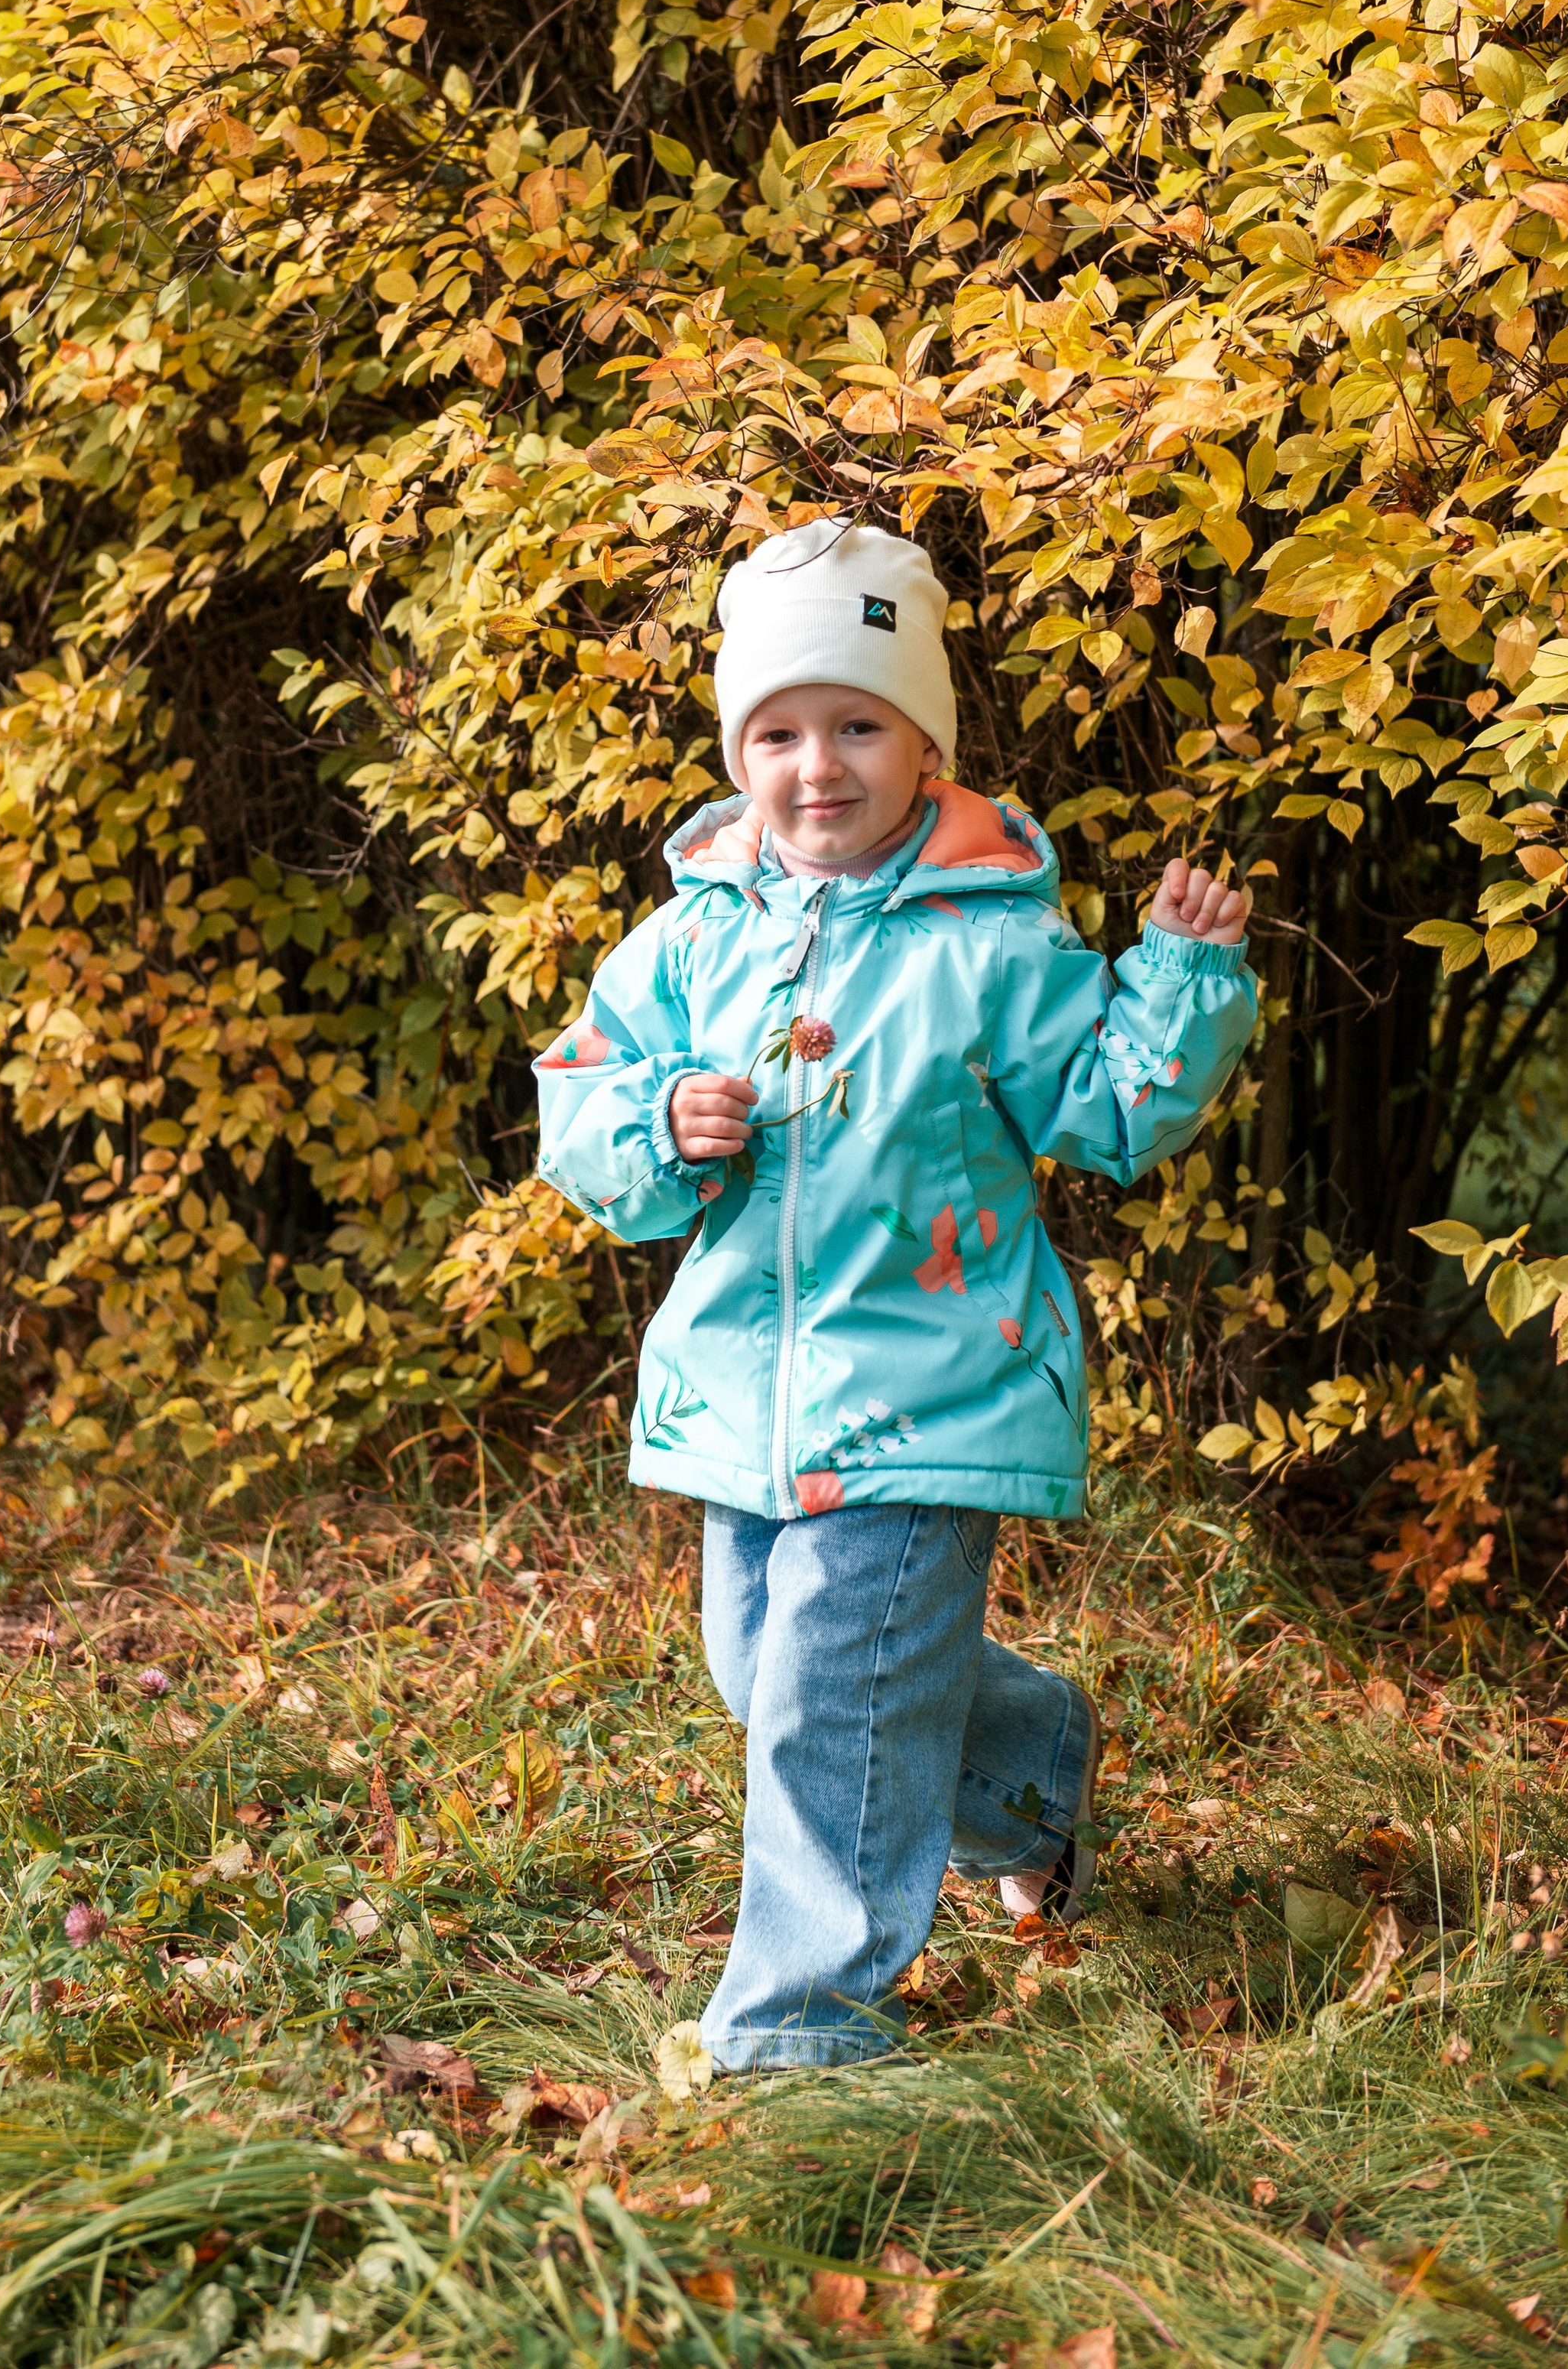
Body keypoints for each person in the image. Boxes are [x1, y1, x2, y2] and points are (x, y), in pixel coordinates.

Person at [534, 519, 1256, 2072]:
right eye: (778, 731)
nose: (817, 766)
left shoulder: (990, 938)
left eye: (857, 723)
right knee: (764, 1672)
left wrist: (1181, 985)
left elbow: (1108, 1110)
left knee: (825, 1702)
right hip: (743, 1394)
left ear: (923, 739)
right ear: (737, 751)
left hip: (934, 1380)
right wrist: (659, 1119)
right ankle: (1026, 1772)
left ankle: (803, 2026)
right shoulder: (691, 935)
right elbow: (579, 1109)